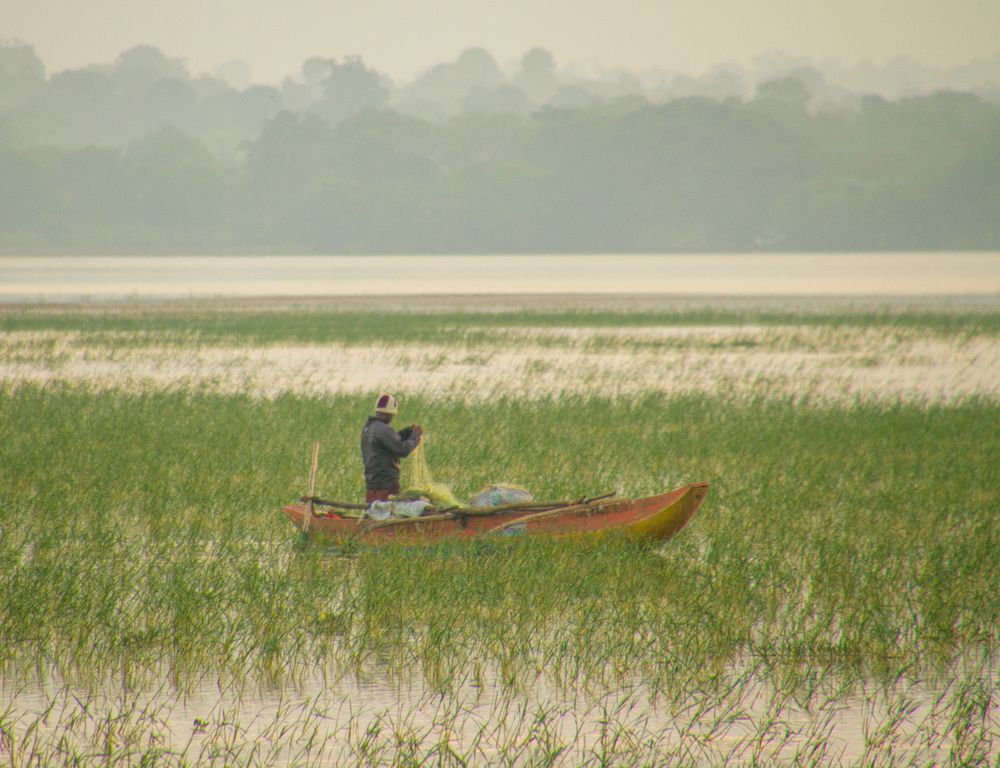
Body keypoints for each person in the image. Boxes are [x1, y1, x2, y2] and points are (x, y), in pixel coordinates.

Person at [360, 393, 423, 504]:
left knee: (373, 515)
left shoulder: (369, 428)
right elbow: (402, 450)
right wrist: (414, 437)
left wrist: (406, 432)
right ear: (390, 414)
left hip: (371, 486)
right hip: (385, 487)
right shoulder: (383, 430)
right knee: (387, 515)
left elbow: (390, 441)